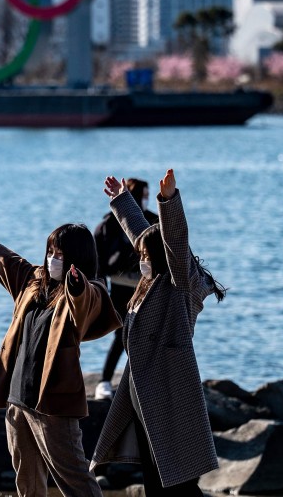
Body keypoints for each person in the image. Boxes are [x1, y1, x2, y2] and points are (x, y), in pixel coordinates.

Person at [0, 217, 121, 497]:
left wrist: (77, 287)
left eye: (61, 254)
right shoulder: (33, 282)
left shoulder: (90, 290)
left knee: (76, 480)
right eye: (51, 252)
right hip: (18, 399)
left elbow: (87, 302)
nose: (53, 259)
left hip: (54, 405)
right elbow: (4, 259)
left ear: (77, 258)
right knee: (27, 482)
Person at [90, 169, 227, 496]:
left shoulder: (179, 285)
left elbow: (174, 243)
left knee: (179, 484)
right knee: (155, 478)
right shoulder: (151, 284)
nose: (141, 263)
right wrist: (122, 202)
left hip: (168, 389)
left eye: (145, 259)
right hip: (143, 390)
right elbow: (144, 237)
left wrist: (168, 202)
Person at [92, 178, 158, 401]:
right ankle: (104, 381)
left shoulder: (154, 222)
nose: (147, 199)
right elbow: (97, 259)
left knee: (145, 336)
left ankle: (143, 382)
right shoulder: (110, 224)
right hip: (120, 287)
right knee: (121, 335)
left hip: (147, 287)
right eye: (144, 194)